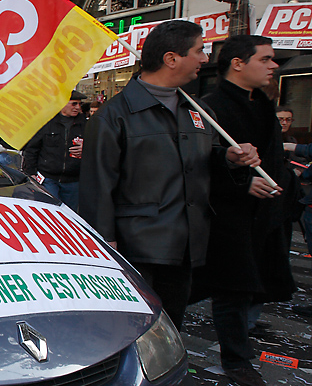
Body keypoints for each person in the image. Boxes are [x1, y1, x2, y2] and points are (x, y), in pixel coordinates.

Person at [79, 20, 260, 331]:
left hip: (186, 244)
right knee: (133, 330)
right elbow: (98, 187)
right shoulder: (115, 116)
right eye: (199, 50)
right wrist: (106, 247)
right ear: (171, 59)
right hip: (137, 248)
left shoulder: (199, 111)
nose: (205, 58)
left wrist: (229, 158)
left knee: (171, 328)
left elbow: (205, 163)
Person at [191, 35, 294, 386]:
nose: (273, 66)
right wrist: (241, 182)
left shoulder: (264, 105)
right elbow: (199, 164)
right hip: (227, 218)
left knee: (226, 286)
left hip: (263, 216)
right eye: (265, 59)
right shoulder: (211, 107)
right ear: (238, 63)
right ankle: (237, 360)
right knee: (229, 288)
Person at [21, 90, 86, 209]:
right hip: (49, 177)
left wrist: (86, 148)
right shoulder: (46, 123)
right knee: (50, 209)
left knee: (70, 214)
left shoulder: (85, 124)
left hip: (73, 179)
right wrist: (31, 173)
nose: (77, 107)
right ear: (63, 104)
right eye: (74, 104)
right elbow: (32, 149)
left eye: (79, 104)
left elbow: (98, 147)